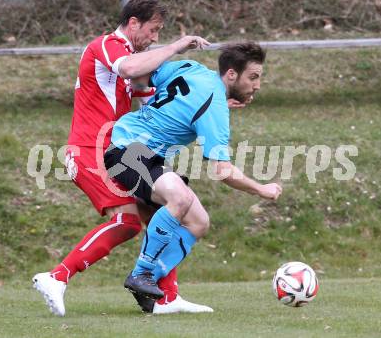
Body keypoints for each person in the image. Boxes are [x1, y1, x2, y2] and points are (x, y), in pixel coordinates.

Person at [32, 0, 214, 316]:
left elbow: (156, 102)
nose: (155, 38)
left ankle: (165, 297)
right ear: (133, 23)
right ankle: (56, 277)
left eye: (159, 33)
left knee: (161, 213)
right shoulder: (107, 46)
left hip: (118, 151)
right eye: (153, 31)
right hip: (88, 150)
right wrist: (174, 46)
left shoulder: (137, 60)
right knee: (127, 221)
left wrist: (214, 104)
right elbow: (128, 69)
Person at [104, 42, 283, 302]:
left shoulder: (191, 68)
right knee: (181, 198)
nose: (257, 85)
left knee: (199, 221)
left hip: (142, 153)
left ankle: (148, 284)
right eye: (253, 77)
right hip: (127, 150)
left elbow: (144, 74)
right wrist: (261, 189)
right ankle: (141, 273)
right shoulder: (215, 106)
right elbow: (223, 171)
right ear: (231, 74)